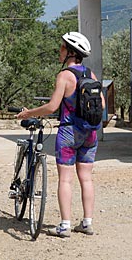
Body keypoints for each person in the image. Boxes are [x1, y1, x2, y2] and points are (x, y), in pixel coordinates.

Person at [16, 32, 105, 238]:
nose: (60, 51)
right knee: (86, 179)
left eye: (62, 48)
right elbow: (100, 103)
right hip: (90, 132)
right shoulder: (91, 75)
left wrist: (29, 112)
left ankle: (65, 225)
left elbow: (52, 107)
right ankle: (87, 223)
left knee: (65, 179)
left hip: (68, 133)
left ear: (70, 53)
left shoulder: (65, 75)